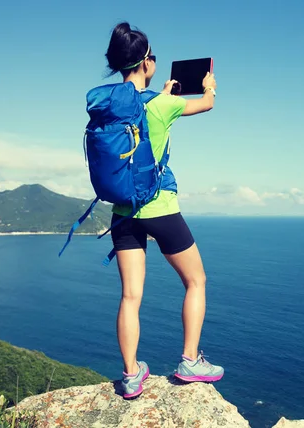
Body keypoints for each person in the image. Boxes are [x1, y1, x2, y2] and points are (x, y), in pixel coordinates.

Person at [103, 22, 223, 399]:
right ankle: (189, 361)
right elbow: (206, 104)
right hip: (160, 207)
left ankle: (131, 374)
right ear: (146, 63)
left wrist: (163, 93)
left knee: (130, 296)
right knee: (196, 281)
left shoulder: (108, 104)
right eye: (152, 56)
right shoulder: (163, 104)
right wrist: (209, 85)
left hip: (123, 209)